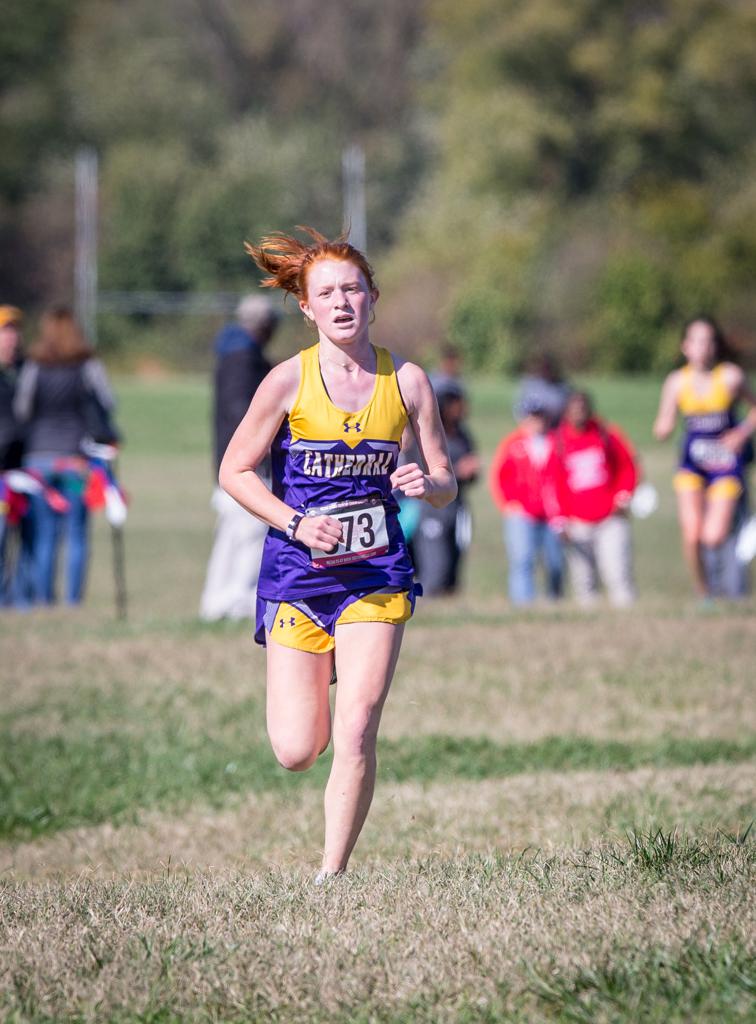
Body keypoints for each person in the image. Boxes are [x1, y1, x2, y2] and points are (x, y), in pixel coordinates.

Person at [219, 227, 456, 879]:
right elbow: (234, 472)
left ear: (373, 297)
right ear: (307, 307)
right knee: (298, 749)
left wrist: (427, 483)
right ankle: (319, 667)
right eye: (327, 292)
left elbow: (445, 478)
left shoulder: (407, 381)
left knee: (355, 730)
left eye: (353, 288)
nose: (342, 301)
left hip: (376, 575)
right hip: (298, 576)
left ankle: (332, 875)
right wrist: (295, 522)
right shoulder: (285, 382)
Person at [13, 306, 116, 605]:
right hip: (75, 463)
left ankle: (45, 599)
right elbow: (107, 401)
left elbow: (22, 408)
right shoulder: (86, 364)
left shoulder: (35, 365)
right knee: (76, 532)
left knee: (44, 533)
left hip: (38, 463)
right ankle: (72, 600)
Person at [653, 316, 756, 599]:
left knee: (713, 536)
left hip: (725, 464)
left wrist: (742, 433)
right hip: (692, 464)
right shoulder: (676, 381)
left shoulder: (731, 376)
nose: (703, 347)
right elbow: (664, 422)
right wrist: (663, 428)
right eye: (696, 340)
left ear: (716, 345)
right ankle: (704, 593)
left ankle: (738, 540)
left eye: (709, 340)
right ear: (685, 346)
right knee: (692, 535)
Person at [199, 294, 281, 621]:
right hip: (245, 462)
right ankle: (236, 601)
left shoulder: (233, 354)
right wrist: (258, 450)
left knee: (234, 532)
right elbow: (240, 411)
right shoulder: (243, 359)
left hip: (230, 457)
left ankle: (218, 602)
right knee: (249, 530)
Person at [552, 390, 639, 607]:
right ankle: (589, 623)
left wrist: (624, 495)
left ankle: (628, 616)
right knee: (583, 579)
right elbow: (553, 484)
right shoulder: (559, 442)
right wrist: (560, 518)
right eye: (573, 409)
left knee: (617, 571)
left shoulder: (605, 434)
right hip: (577, 521)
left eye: (582, 408)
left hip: (610, 517)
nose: (578, 413)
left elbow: (627, 466)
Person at [488, 398, 564, 604]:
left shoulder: (556, 442)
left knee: (555, 562)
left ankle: (554, 601)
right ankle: (523, 604)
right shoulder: (512, 444)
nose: (535, 421)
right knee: (522, 560)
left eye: (538, 416)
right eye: (530, 417)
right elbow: (499, 476)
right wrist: (507, 504)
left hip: (552, 514)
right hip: (521, 513)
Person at [413, 378, 480, 596]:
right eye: (458, 403)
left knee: (454, 563)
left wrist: (470, 473)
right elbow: (419, 470)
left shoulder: (463, 435)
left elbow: (472, 473)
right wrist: (458, 472)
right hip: (432, 509)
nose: (463, 408)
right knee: (436, 567)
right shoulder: (428, 434)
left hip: (457, 508)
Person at [0, 306, 25, 604]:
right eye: (5, 331)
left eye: (14, 331)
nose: (11, 338)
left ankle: (16, 602)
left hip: (20, 470)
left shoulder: (21, 372)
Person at [514, 350, 572, 427]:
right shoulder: (529, 386)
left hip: (557, 429)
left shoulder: (563, 388)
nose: (546, 371)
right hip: (534, 427)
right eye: (543, 367)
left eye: (548, 368)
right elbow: (520, 411)